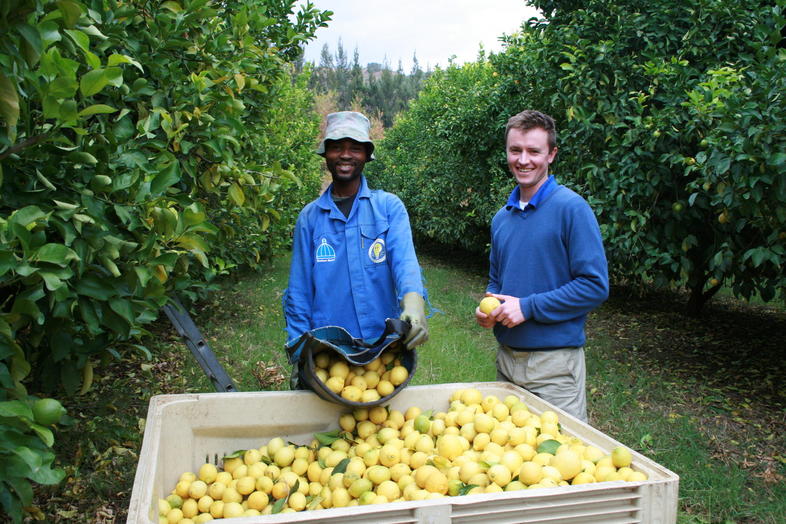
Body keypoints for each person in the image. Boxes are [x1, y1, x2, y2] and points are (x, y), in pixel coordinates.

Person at [475, 110, 609, 422]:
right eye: (515, 150)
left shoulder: (572, 209)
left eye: (534, 151)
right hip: (506, 363)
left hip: (554, 370)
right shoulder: (502, 218)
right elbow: (497, 282)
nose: (523, 160)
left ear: (551, 154)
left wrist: (529, 307)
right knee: (511, 461)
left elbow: (594, 286)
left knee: (562, 460)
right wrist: (490, 307)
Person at [284, 111, 428, 351]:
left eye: (355, 148)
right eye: (337, 147)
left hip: (383, 342)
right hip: (328, 346)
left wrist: (413, 302)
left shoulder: (388, 208)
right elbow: (300, 291)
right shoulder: (309, 218)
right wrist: (299, 349)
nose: (345, 155)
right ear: (326, 153)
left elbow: (405, 263)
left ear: (366, 155)